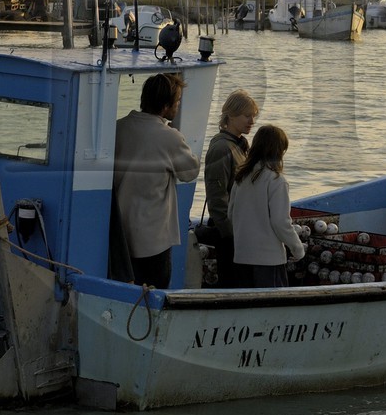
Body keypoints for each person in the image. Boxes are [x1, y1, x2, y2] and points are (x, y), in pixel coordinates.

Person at [112, 72, 201, 288]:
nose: (178, 105)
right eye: (177, 101)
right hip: (153, 239)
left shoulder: (118, 127)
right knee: (155, 294)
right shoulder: (169, 137)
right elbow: (190, 171)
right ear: (165, 106)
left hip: (119, 236)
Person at [228, 124, 306, 289]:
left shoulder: (241, 177)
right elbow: (280, 222)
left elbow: (231, 214)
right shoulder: (276, 180)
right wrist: (297, 249)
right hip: (268, 261)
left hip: (242, 256)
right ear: (280, 151)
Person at [202, 90, 259, 287]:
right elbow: (216, 196)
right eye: (247, 115)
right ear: (231, 115)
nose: (252, 120)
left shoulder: (239, 145)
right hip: (230, 233)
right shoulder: (222, 147)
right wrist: (230, 233)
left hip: (240, 228)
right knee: (233, 282)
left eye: (253, 116)